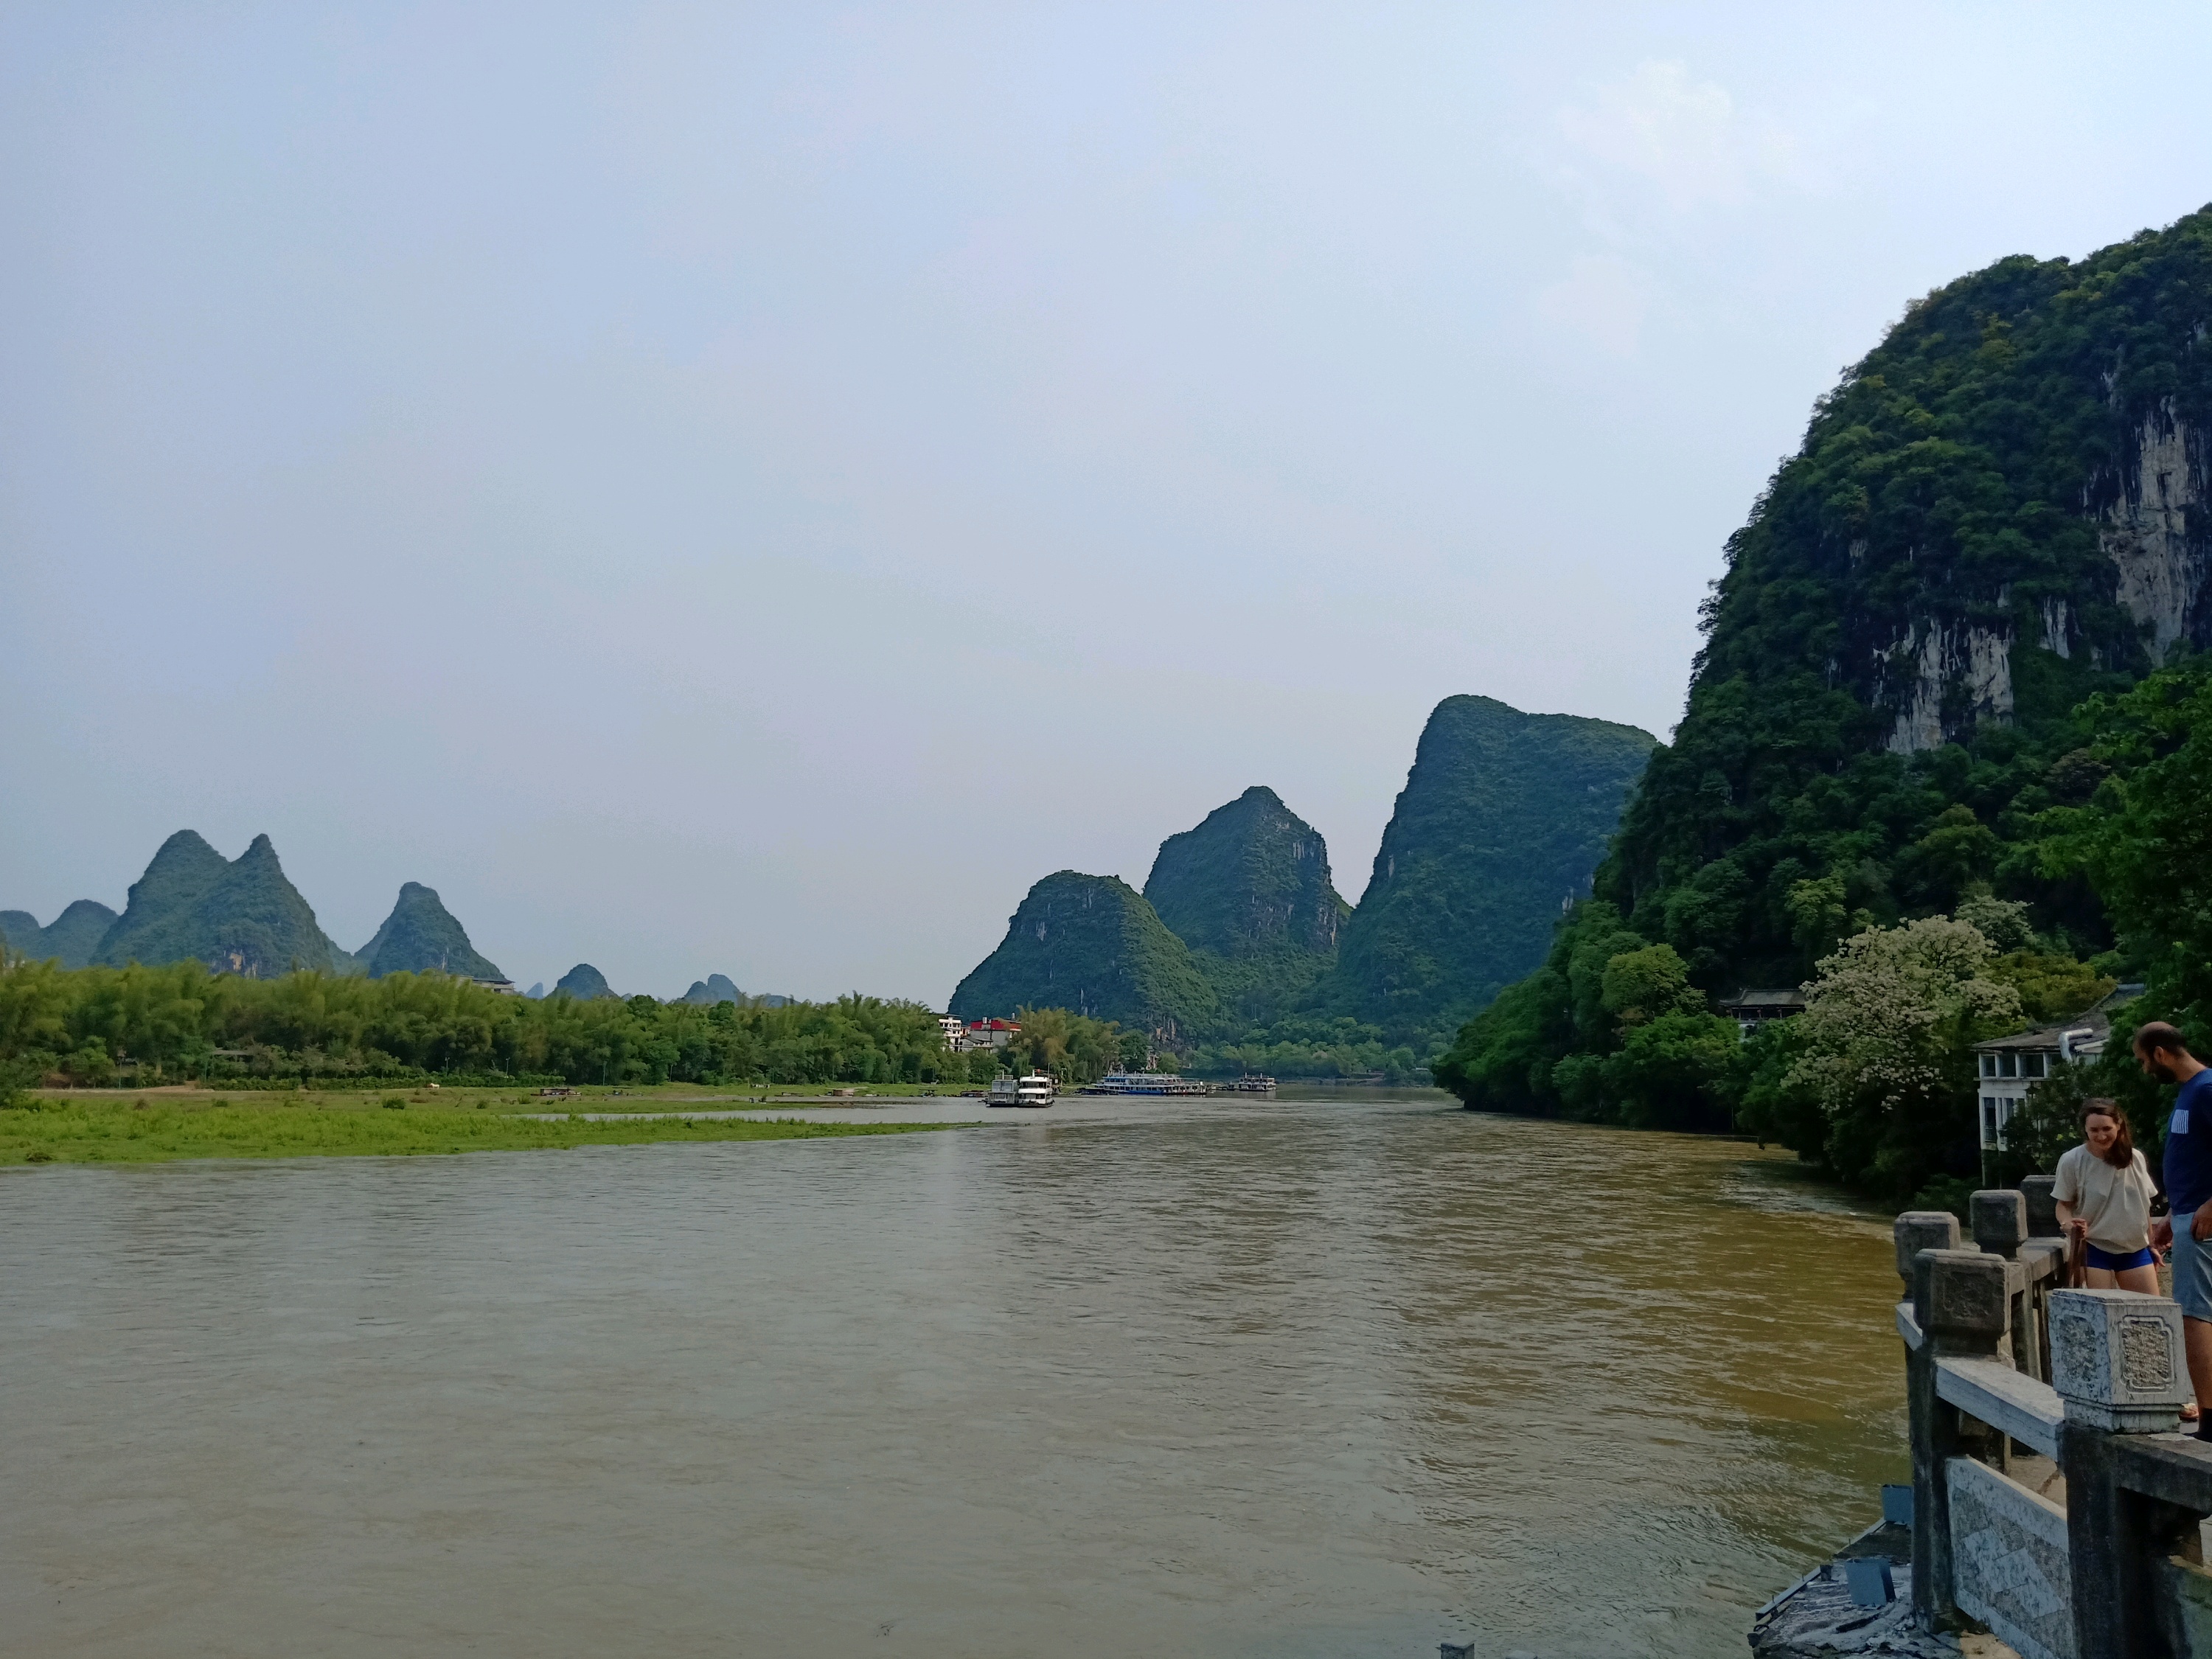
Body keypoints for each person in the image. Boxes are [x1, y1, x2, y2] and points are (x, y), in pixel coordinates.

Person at [2142, 1022, 2212, 1439]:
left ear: (2160, 1053)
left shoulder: (2206, 1089)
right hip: (2189, 1213)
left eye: (2144, 1061)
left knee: (2196, 1315)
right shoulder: (2190, 1092)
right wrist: (2172, 1214)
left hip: (2204, 1220)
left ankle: (2210, 1420)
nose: (2145, 1070)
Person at [2054, 1099, 2160, 1292]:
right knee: (2100, 1310)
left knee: (2150, 1309)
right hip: (2093, 1248)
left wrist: (2151, 1246)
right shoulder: (2072, 1160)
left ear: (2118, 1126)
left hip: (2135, 1248)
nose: (2101, 1136)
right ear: (2085, 1130)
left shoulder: (2135, 1158)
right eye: (2094, 1130)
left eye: (2106, 1129)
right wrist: (2067, 1224)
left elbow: (2143, 1206)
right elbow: (2063, 1204)